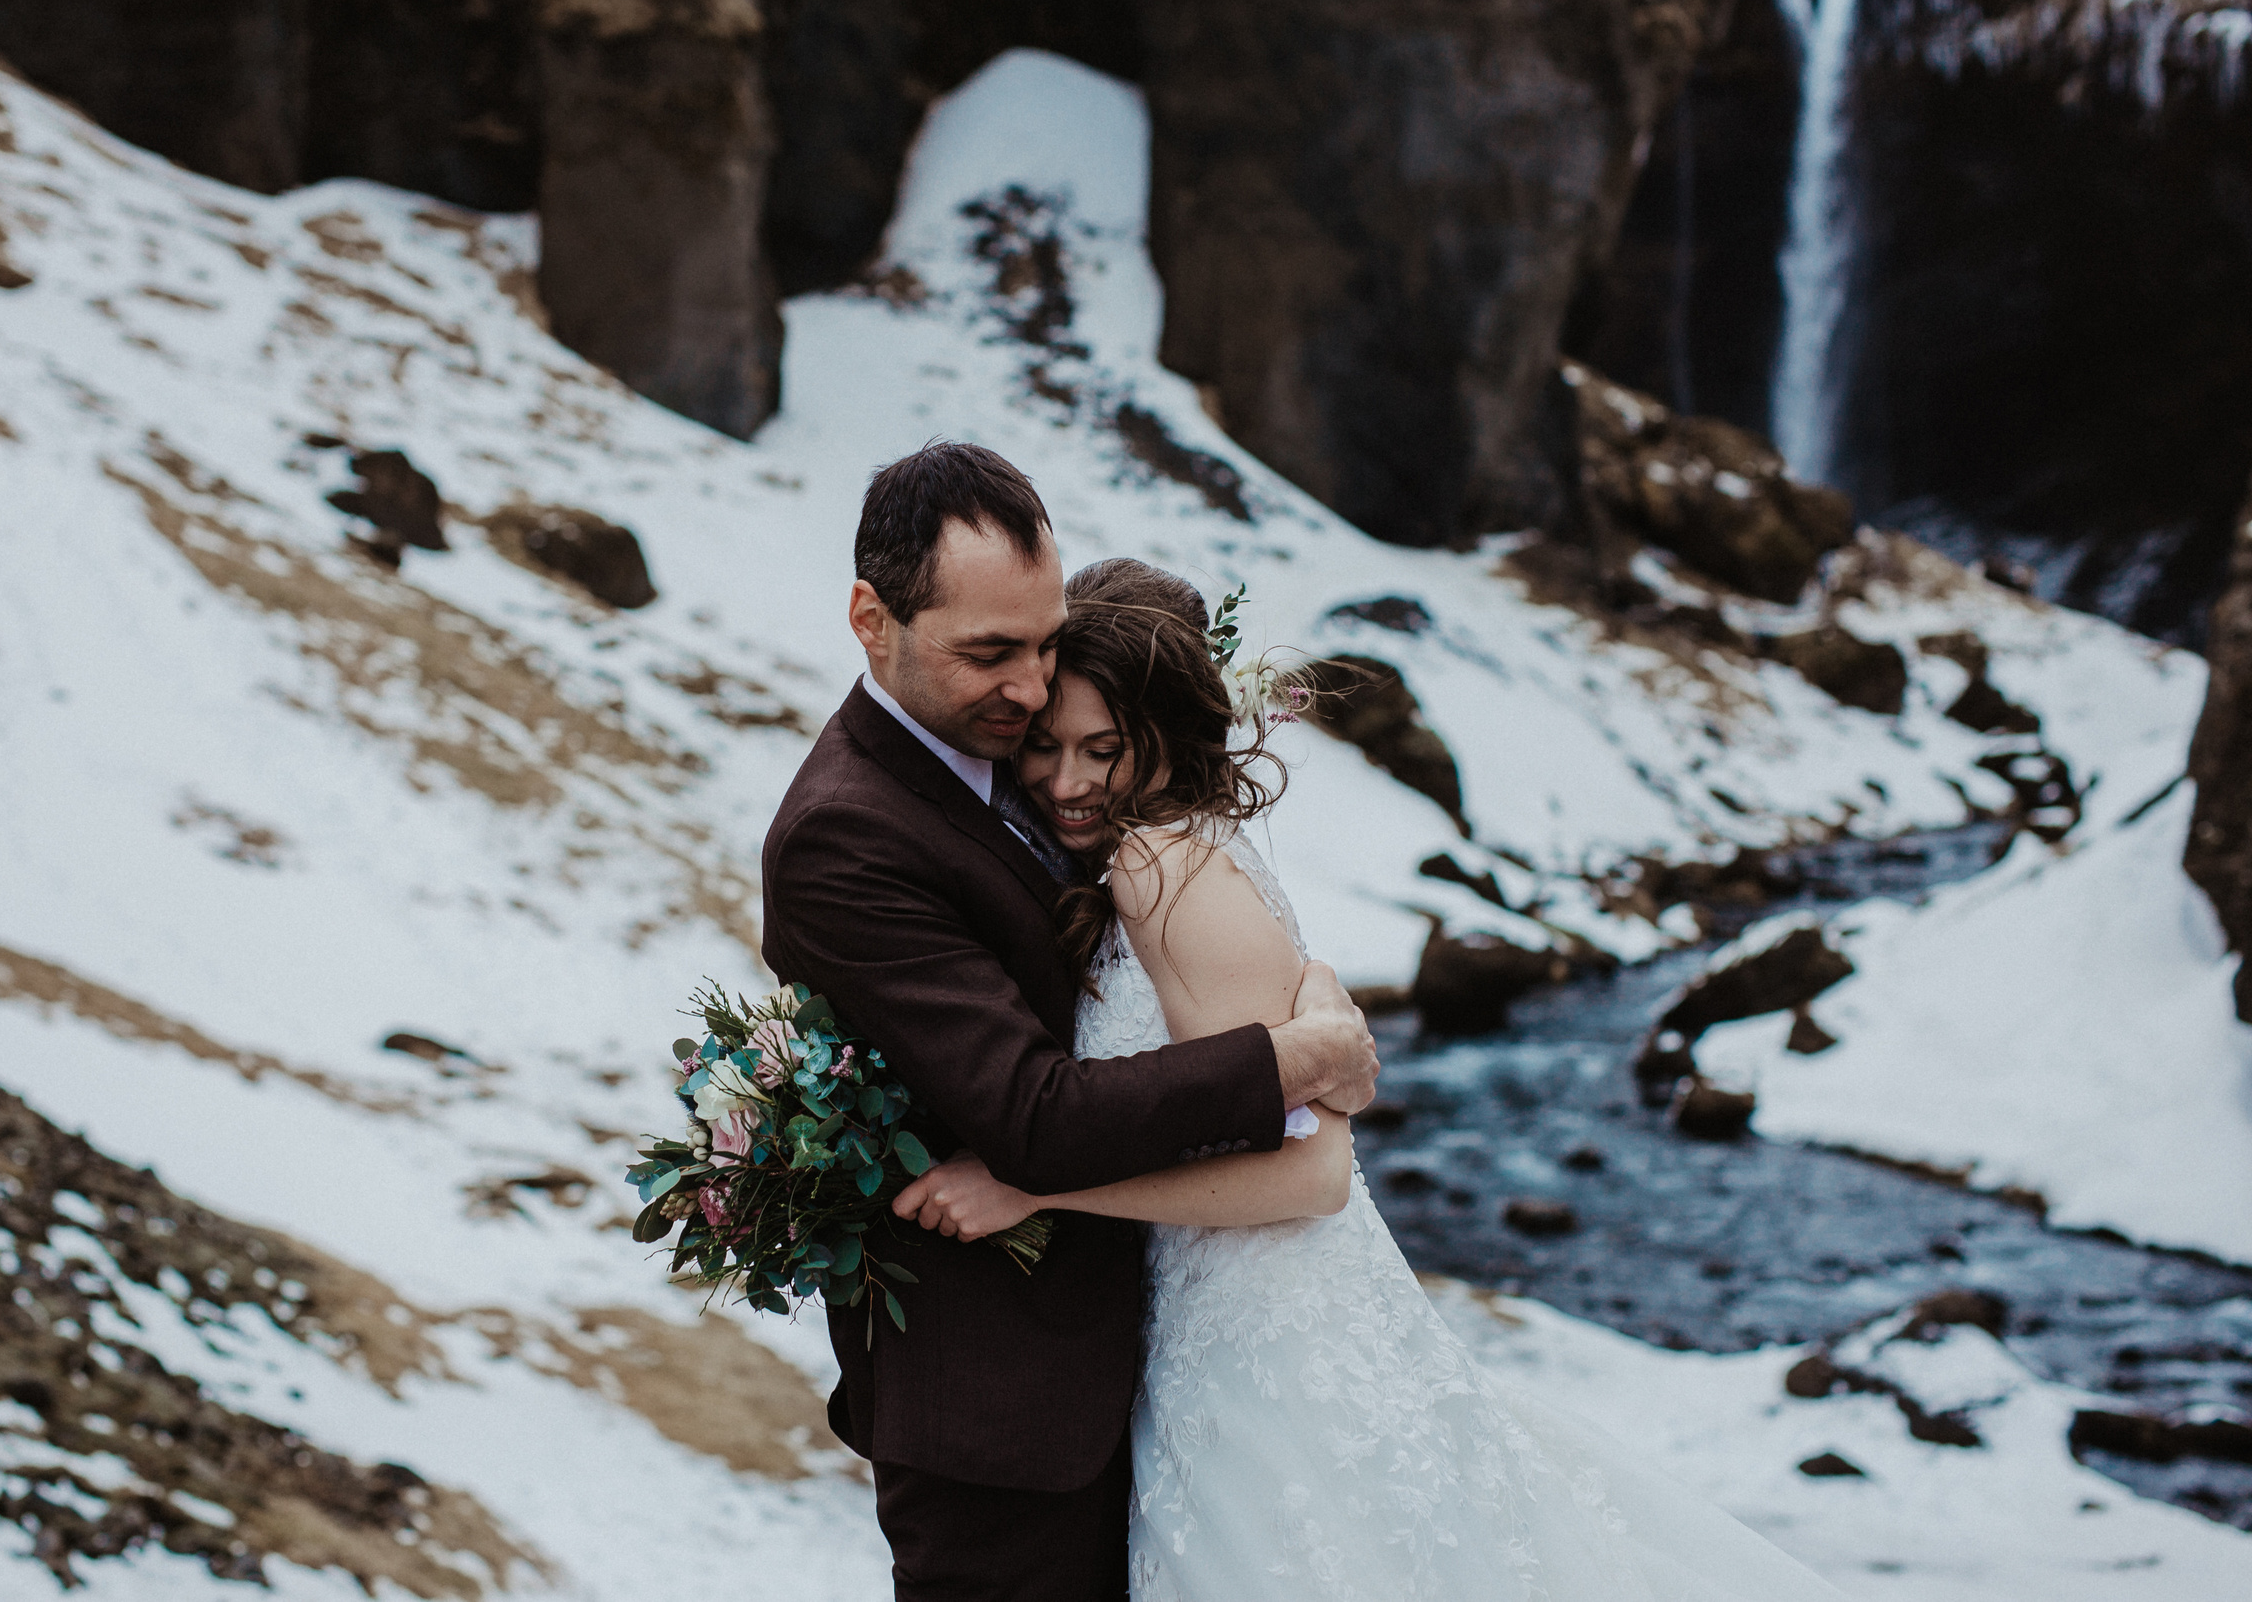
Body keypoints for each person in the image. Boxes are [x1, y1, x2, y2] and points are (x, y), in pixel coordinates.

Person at [892, 557, 1853, 1601]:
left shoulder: (1156, 869)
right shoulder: (1154, 854)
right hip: (1218, 1333)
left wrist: (1033, 1185)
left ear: (1164, 738)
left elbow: (1307, 1176)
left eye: (1102, 749)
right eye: (1045, 746)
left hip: (1272, 1346)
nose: (1068, 781)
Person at [759, 443, 1381, 1601]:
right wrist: (1291, 1058)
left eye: (1045, 645)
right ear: (870, 619)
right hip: (1000, 1418)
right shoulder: (847, 836)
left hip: (1137, 1379)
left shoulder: (1032, 769)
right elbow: (1034, 1117)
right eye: (990, 654)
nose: (1034, 691)